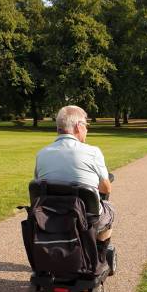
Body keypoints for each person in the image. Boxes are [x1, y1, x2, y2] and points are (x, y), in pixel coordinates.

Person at [34, 105, 115, 245]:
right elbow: (106, 189)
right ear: (78, 126)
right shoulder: (93, 152)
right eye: (86, 125)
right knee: (110, 210)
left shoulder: (41, 154)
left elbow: (38, 186)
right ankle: (99, 255)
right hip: (86, 217)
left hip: (50, 216)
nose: (87, 129)